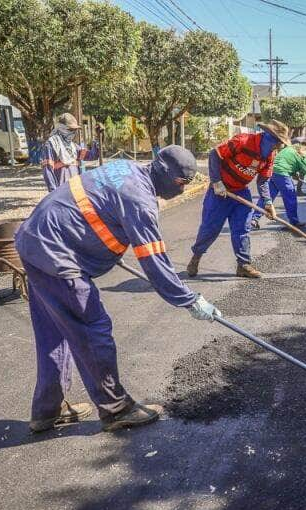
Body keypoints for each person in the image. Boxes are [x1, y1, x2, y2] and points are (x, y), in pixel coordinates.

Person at [15, 146, 222, 433]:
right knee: (92, 329)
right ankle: (116, 409)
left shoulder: (127, 169)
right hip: (57, 256)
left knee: (54, 333)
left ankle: (47, 410)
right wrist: (189, 299)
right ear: (163, 172)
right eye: (180, 184)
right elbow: (155, 262)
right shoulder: (139, 200)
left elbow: (100, 210)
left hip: (33, 240)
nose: (183, 190)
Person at [186, 120, 290, 279]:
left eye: (280, 143)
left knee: (242, 229)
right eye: (277, 141)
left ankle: (243, 265)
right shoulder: (243, 141)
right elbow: (215, 154)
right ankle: (196, 257)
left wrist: (268, 203)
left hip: (241, 192)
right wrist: (216, 182)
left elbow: (263, 181)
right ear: (267, 136)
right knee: (210, 228)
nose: (278, 146)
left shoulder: (269, 156)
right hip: (220, 192)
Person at [250, 140, 306, 230]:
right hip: (282, 174)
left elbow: (286, 162)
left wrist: (293, 174)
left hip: (272, 171)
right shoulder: (301, 156)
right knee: (290, 197)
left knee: (267, 197)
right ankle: (294, 222)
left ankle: (254, 219)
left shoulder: (289, 148)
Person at [41, 113, 102, 192]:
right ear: (61, 128)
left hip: (76, 190)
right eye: (70, 130)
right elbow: (48, 171)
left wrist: (98, 138)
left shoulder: (74, 147)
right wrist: (54, 192)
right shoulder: (51, 145)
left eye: (74, 130)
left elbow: (92, 156)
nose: (73, 133)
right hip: (61, 191)